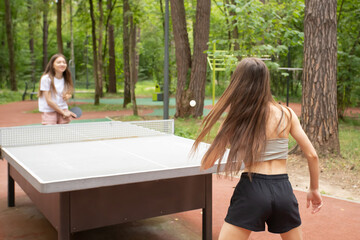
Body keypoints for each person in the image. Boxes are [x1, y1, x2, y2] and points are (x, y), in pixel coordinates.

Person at [192, 58, 323, 240]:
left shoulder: (237, 117)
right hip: (283, 190)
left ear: (238, 83)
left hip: (252, 189)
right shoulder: (287, 114)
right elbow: (312, 155)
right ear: (265, 82)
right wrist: (314, 189)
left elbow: (208, 163)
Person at [38, 53, 77, 125]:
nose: (62, 64)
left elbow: (67, 92)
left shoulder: (66, 78)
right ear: (52, 65)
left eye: (64, 62)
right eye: (59, 62)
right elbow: (49, 101)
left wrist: (68, 95)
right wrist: (63, 112)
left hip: (63, 109)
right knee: (51, 134)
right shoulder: (46, 78)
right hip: (50, 111)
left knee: (63, 134)